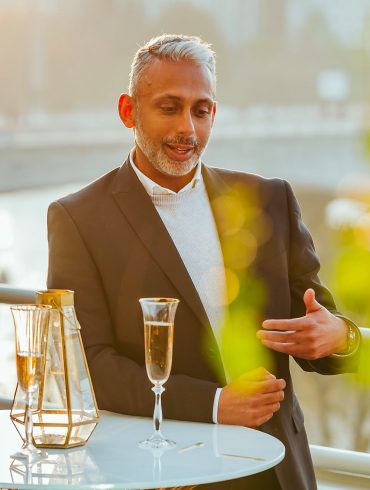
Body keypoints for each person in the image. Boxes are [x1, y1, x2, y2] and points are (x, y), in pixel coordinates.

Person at [47, 34, 361, 490]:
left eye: (201, 110)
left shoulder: (270, 198)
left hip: (278, 469)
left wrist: (338, 336)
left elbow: (315, 323)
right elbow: (87, 361)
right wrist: (213, 404)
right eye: (169, 107)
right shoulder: (77, 218)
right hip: (168, 471)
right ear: (128, 111)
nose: (188, 130)